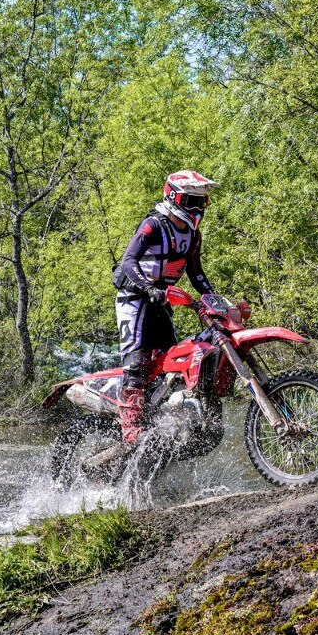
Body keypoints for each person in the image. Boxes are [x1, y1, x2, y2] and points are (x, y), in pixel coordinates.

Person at [111, 169, 219, 446]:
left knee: (172, 364)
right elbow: (128, 261)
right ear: (173, 198)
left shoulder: (194, 236)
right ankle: (131, 431)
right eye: (190, 201)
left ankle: (165, 419)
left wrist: (213, 300)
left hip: (161, 300)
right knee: (137, 365)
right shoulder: (153, 225)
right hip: (135, 299)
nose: (196, 208)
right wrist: (148, 288)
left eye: (201, 202)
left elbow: (196, 273)